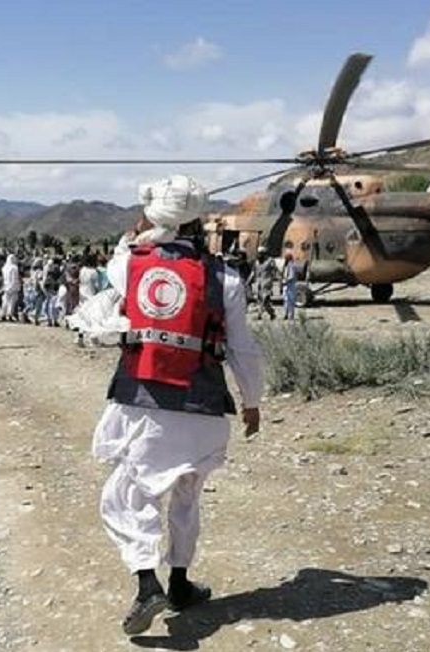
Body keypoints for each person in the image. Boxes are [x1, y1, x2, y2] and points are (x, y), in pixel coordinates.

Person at [92, 175, 263, 636]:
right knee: (187, 496)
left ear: (153, 218)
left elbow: (120, 255)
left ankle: (149, 584)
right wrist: (252, 402)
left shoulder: (129, 264)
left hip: (144, 403)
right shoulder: (224, 277)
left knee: (128, 496)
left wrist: (137, 231)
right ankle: (181, 584)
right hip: (204, 404)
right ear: (200, 221)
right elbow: (244, 348)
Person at [249, 246, 278, 321]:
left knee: (264, 299)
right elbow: (253, 272)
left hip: (267, 283)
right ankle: (272, 313)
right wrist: (248, 281)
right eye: (259, 253)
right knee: (262, 301)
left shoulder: (270, 261)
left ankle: (259, 315)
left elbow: (275, 270)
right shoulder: (256, 262)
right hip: (258, 284)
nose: (259, 255)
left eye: (261, 253)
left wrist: (273, 278)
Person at [281, 252, 298, 320]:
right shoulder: (286, 265)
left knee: (290, 301)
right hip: (286, 286)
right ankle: (286, 314)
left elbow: (291, 276)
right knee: (286, 301)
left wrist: (285, 281)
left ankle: (291, 316)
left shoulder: (291, 265)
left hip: (290, 286)